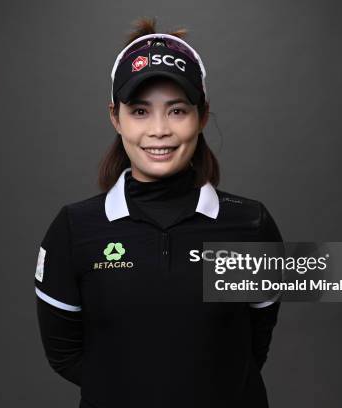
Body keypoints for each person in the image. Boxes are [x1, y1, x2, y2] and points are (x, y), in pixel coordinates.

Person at [35, 17, 283, 408]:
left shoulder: (250, 225)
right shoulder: (75, 228)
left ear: (202, 116)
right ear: (115, 117)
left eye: (177, 111)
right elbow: (65, 353)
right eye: (139, 111)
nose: (159, 130)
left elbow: (253, 345)